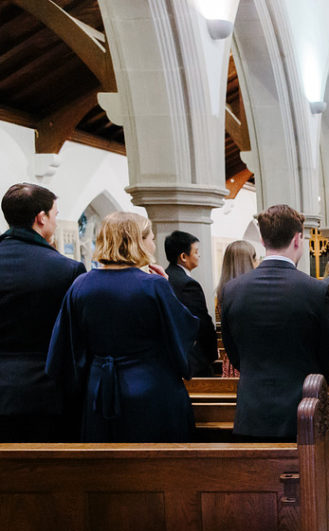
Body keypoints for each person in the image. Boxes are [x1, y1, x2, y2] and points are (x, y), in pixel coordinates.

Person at [46, 212, 198, 441]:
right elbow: (183, 332)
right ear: (138, 241)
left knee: (107, 470)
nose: (153, 244)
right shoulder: (154, 286)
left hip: (99, 389)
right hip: (152, 388)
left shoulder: (81, 285)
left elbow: (66, 347)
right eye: (151, 238)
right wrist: (167, 288)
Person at [220, 204, 329, 440]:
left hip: (251, 410)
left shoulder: (232, 290)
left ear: (263, 241)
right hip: (303, 409)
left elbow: (233, 351)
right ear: (297, 239)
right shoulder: (315, 290)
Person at [0, 183, 86, 441]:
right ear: (41, 218)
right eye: (55, 215)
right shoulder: (66, 270)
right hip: (46, 392)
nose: (56, 223)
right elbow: (77, 336)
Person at [165, 230, 217, 377]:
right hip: (192, 359)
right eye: (196, 251)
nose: (198, 255)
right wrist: (212, 355)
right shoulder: (187, 284)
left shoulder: (163, 277)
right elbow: (202, 323)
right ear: (183, 256)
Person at [215, 240, 258, 378]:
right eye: (255, 258)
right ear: (248, 262)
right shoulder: (253, 293)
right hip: (252, 360)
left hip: (232, 360)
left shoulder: (222, 293)